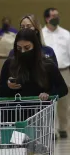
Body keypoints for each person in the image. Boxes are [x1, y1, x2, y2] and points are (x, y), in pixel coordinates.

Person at [0, 29, 68, 155]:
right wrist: (8, 87)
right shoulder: (10, 64)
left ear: (35, 46)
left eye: (27, 48)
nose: (23, 52)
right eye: (19, 48)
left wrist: (49, 94)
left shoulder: (47, 65)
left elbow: (62, 88)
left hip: (39, 122)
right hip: (16, 122)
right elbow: (1, 91)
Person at [42, 8, 70, 138]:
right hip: (47, 72)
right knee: (49, 102)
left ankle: (63, 128)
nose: (56, 18)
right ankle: (51, 130)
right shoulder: (41, 34)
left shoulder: (66, 34)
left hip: (64, 71)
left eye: (57, 15)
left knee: (64, 103)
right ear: (47, 18)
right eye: (53, 16)